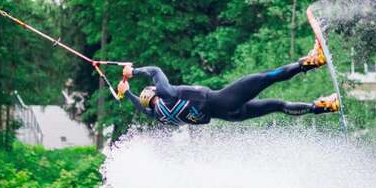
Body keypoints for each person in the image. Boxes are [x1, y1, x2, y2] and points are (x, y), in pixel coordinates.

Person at [117, 41, 339, 126]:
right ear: (155, 92)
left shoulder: (160, 115)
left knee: (279, 105)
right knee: (266, 77)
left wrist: (126, 93)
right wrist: (133, 71)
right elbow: (155, 71)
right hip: (225, 100)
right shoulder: (167, 94)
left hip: (231, 115)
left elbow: (142, 108)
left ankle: (322, 107)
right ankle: (311, 62)